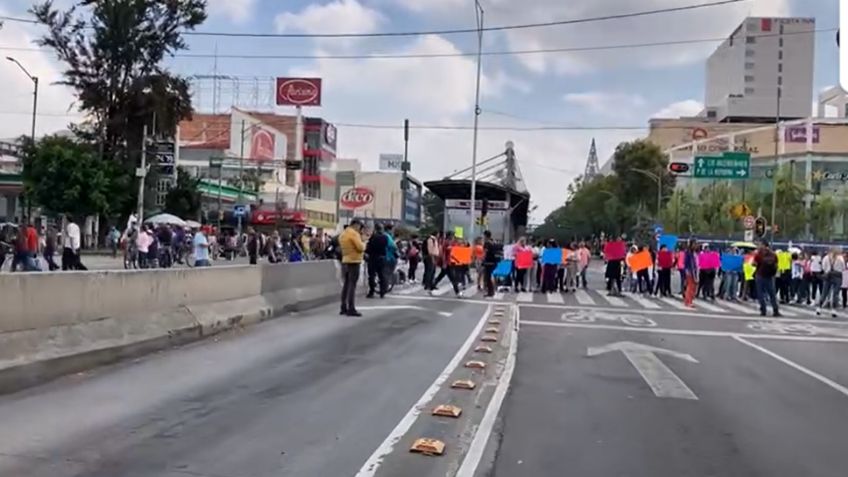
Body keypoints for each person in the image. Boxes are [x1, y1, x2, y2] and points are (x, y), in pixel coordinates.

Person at [339, 220, 365, 316]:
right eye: (360, 226)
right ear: (356, 225)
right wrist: (364, 244)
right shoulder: (354, 234)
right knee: (352, 285)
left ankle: (343, 307)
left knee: (346, 285)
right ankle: (351, 308)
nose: (360, 228)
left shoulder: (343, 234)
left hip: (345, 260)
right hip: (354, 261)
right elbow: (360, 247)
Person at [753, 240, 780, 317]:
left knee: (760, 293)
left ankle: (763, 310)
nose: (759, 246)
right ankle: (775, 310)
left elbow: (754, 263)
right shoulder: (773, 254)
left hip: (760, 275)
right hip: (770, 276)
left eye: (760, 244)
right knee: (772, 294)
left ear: (763, 245)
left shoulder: (759, 254)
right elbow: (776, 264)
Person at [816, 247, 844, 318]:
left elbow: (823, 267)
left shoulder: (826, 258)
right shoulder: (840, 258)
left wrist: (827, 271)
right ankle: (833, 309)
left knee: (824, 292)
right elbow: (843, 268)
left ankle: (819, 308)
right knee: (835, 293)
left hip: (828, 276)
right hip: (837, 276)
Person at [366, 223, 389, 299]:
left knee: (372, 275)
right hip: (382, 257)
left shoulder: (373, 237)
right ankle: (382, 292)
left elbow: (368, 248)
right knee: (382, 275)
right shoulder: (385, 237)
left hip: (373, 258)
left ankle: (371, 291)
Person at [481, 230, 499, 298]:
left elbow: (485, 252)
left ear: (485, 235)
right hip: (493, 262)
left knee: (487, 277)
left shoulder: (487, 243)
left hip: (488, 262)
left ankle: (490, 291)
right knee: (488, 277)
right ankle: (491, 291)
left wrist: (483, 259)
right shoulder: (492, 242)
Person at [683, 240, 699, 308]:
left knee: (693, 287)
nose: (695, 246)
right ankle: (688, 301)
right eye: (694, 244)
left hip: (695, 271)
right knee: (690, 287)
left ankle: (689, 300)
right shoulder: (688, 253)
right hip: (690, 271)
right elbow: (686, 263)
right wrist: (687, 271)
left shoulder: (695, 253)